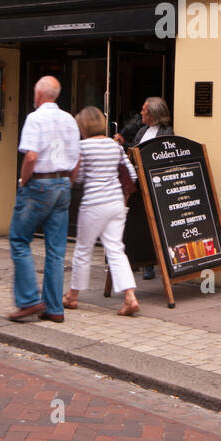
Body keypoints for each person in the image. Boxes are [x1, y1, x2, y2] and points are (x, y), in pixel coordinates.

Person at [6, 76, 80, 324]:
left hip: (39, 184)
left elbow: (31, 157)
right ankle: (54, 308)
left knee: (19, 239)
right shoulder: (69, 119)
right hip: (62, 184)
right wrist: (68, 182)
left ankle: (28, 300)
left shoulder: (34, 118)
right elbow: (78, 159)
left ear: (38, 95)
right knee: (56, 251)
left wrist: (23, 182)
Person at [65, 106, 140, 317]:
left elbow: (78, 178)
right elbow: (131, 176)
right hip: (116, 203)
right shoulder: (114, 146)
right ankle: (130, 297)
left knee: (82, 250)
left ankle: (72, 296)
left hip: (94, 204)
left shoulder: (83, 147)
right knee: (116, 249)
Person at [114, 96, 174, 278]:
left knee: (153, 224)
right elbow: (135, 152)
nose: (141, 113)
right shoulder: (142, 131)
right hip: (138, 184)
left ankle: (153, 264)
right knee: (137, 223)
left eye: (144, 110)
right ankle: (137, 261)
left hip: (154, 185)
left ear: (153, 114)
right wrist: (125, 147)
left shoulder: (166, 133)